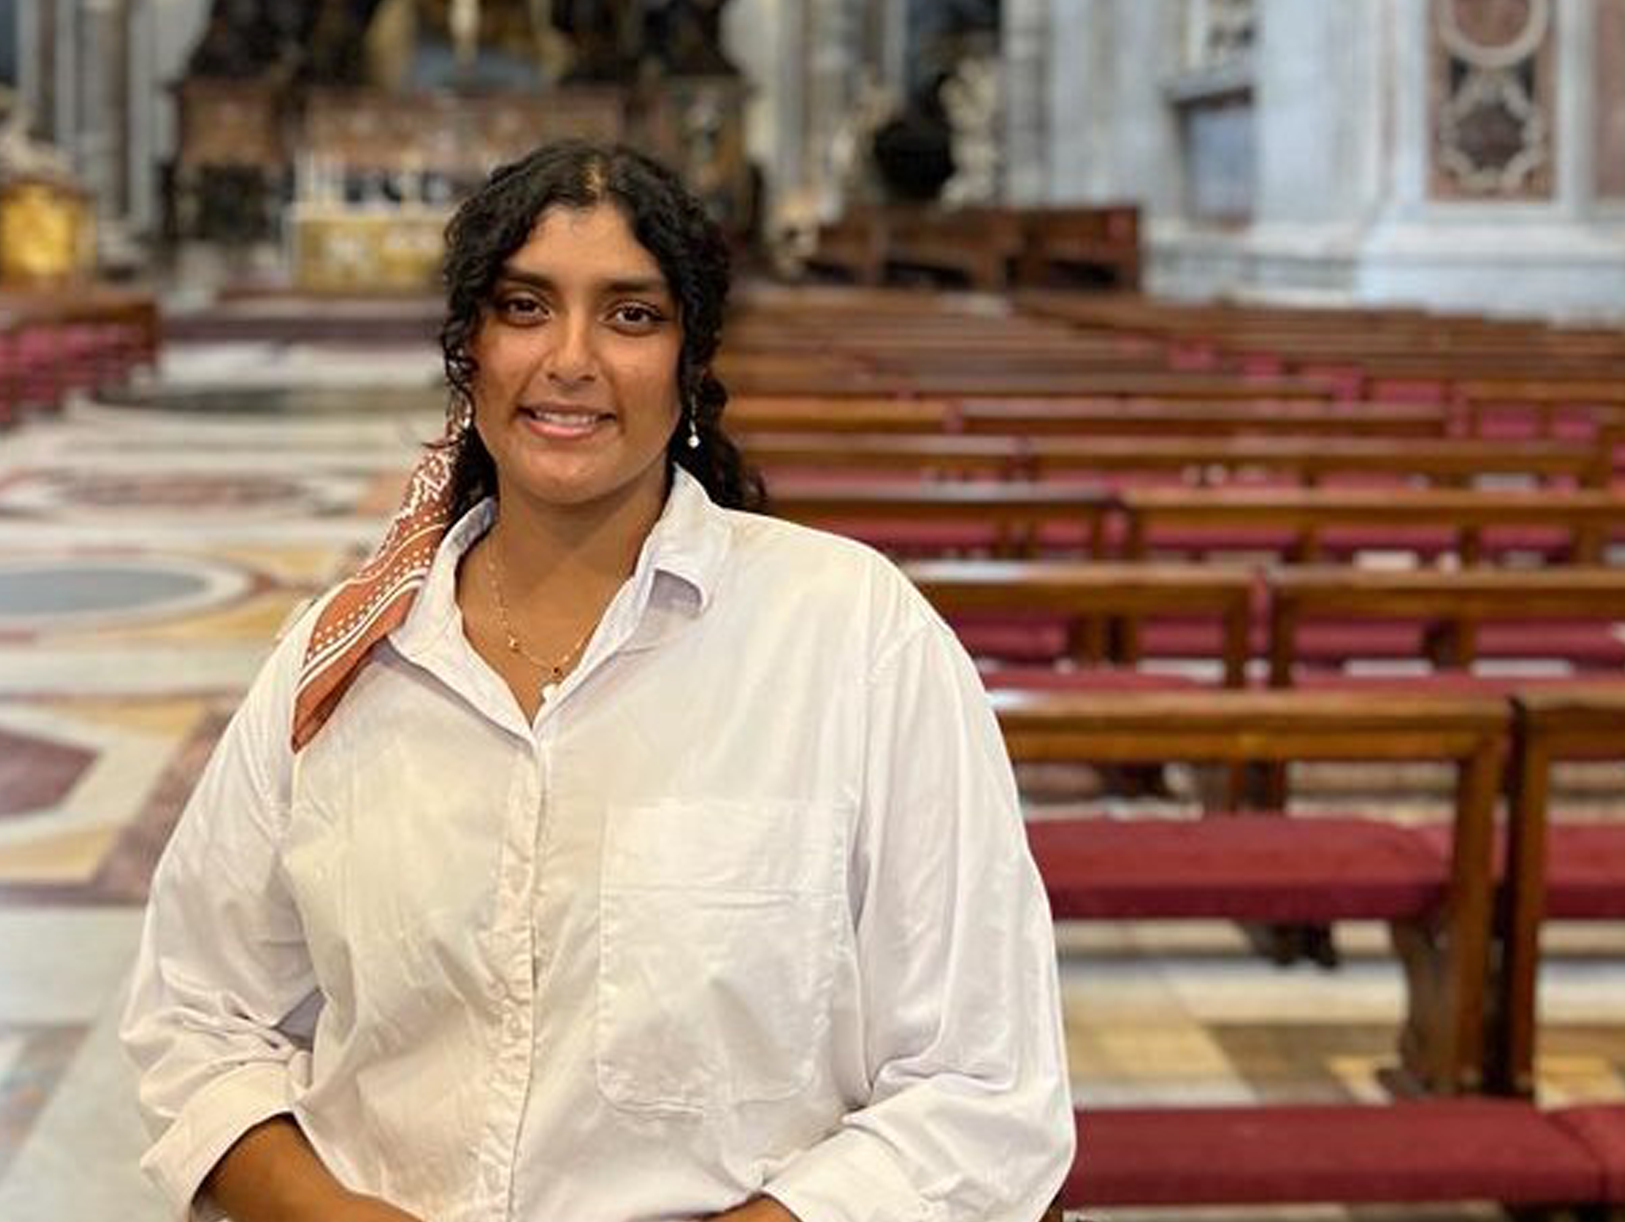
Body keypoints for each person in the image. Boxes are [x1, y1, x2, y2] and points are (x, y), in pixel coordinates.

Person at [121, 140, 1074, 1222]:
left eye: (629, 315)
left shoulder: (853, 638)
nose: (568, 358)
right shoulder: (340, 658)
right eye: (524, 307)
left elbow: (981, 1085)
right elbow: (193, 1015)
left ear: (690, 358)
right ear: (465, 350)